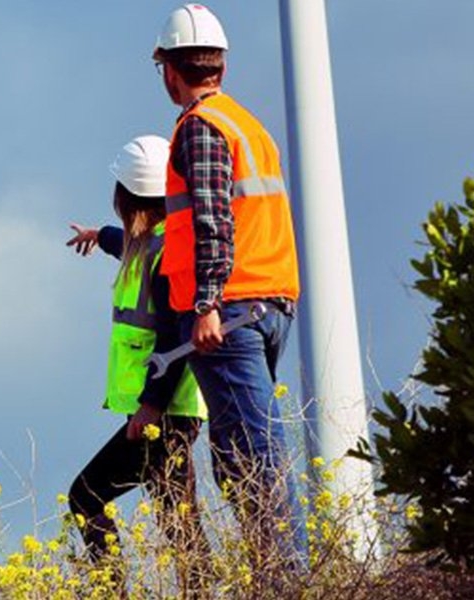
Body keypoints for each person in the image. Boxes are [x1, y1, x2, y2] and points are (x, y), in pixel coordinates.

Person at [149, 3, 302, 562]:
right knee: (248, 451)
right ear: (220, 66)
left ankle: (287, 580)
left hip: (228, 314)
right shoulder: (248, 124)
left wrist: (206, 302)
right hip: (269, 304)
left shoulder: (200, 129)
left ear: (169, 68)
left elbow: (213, 219)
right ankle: (279, 571)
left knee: (251, 458)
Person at [64, 136, 208, 582]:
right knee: (178, 520)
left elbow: (173, 335)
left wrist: (150, 406)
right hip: (169, 411)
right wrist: (97, 235)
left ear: (123, 196)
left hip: (164, 410)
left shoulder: (165, 255)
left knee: (87, 496)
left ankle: (113, 591)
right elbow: (124, 243)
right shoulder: (152, 241)